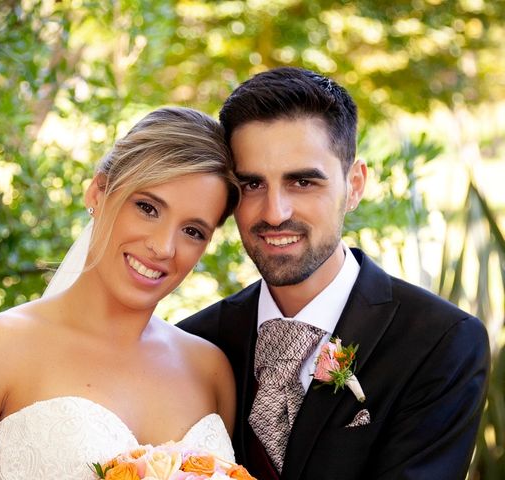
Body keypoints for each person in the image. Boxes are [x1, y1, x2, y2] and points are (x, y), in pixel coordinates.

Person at [0, 107, 242, 479]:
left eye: (193, 231)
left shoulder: (210, 372)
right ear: (97, 191)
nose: (163, 247)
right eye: (147, 208)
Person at [178, 67, 490, 480]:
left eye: (303, 182)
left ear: (354, 184)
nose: (275, 213)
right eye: (252, 185)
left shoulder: (440, 343)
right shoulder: (194, 345)